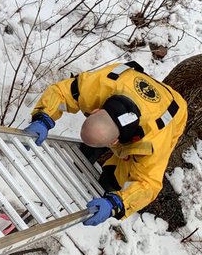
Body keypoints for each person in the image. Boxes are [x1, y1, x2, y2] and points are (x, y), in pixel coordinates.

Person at [22, 59, 187, 226]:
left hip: (174, 109)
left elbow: (149, 183)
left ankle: (109, 182)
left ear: (115, 141)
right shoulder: (99, 86)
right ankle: (91, 150)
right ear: (95, 110)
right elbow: (61, 92)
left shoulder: (155, 140)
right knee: (95, 138)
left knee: (121, 173)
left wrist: (117, 204)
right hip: (131, 85)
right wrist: (43, 118)